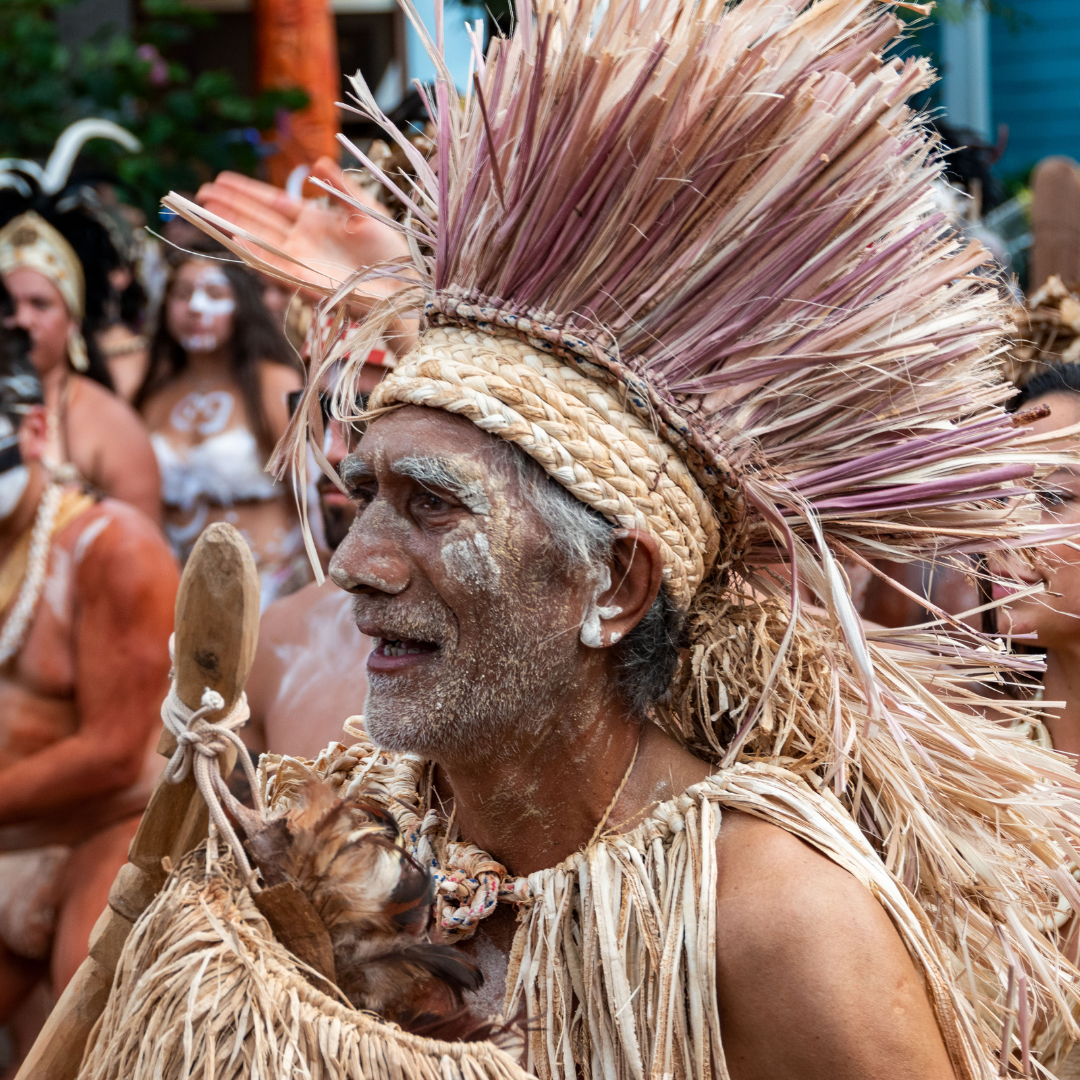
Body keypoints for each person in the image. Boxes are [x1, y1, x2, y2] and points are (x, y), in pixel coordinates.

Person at [166, 0, 1080, 1074]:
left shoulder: (770, 918)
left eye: (430, 505)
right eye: (364, 494)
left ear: (617, 588)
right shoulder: (337, 842)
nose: (356, 565)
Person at [0, 301, 178, 1062]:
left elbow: (113, 751)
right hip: (13, 825)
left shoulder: (114, 549)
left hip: (109, 822)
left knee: (85, 1015)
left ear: (35, 433)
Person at [0, 125, 162, 526]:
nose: (21, 319)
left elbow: (143, 565)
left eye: (40, 304)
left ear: (73, 321)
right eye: (6, 303)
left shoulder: (109, 425)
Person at [136, 252, 307, 608]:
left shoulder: (275, 384)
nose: (195, 308)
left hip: (272, 590)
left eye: (214, 295)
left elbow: (313, 499)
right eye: (182, 294)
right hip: (181, 598)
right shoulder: (153, 396)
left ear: (242, 305)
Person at [245, 403, 370, 758]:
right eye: (316, 411)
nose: (328, 451)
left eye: (362, 414)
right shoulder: (279, 631)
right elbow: (235, 807)